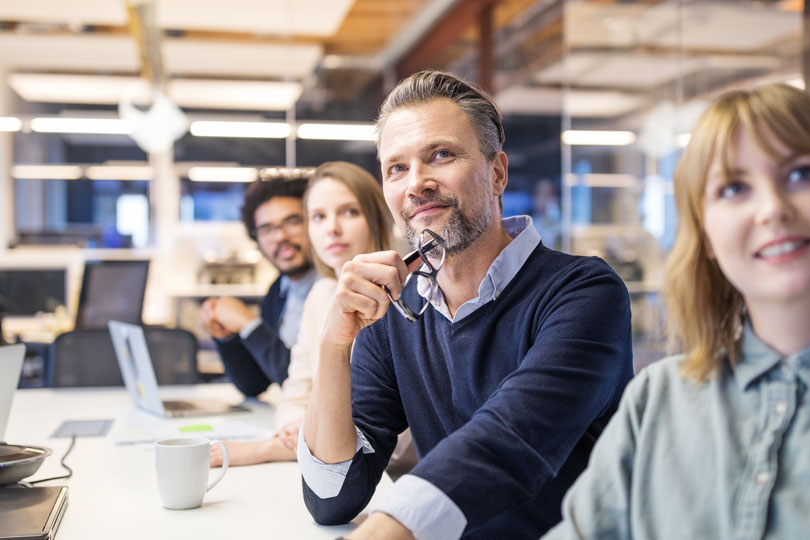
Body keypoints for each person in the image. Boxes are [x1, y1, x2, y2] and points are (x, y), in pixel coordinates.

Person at [543, 84, 810, 539]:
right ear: (704, 235)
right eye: (735, 187)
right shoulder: (657, 400)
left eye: (802, 174)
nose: (773, 210)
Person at [297, 70, 634, 540]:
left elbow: (513, 440)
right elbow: (333, 497)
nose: (417, 183)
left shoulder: (582, 292)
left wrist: (386, 530)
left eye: (441, 155)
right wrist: (334, 346)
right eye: (397, 168)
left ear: (497, 173)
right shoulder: (396, 308)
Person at [211, 161, 394, 466]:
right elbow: (296, 392)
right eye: (319, 217)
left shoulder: (397, 297)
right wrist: (290, 429)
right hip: (320, 461)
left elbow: (374, 429)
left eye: (349, 212)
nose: (332, 228)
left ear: (375, 217)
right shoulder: (321, 294)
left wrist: (267, 449)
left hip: (379, 476)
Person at [200, 172, 317, 397]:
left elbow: (307, 383)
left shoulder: (334, 286)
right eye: (266, 229)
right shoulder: (278, 291)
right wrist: (226, 337)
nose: (280, 236)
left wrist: (248, 324)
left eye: (292, 221)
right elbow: (255, 383)